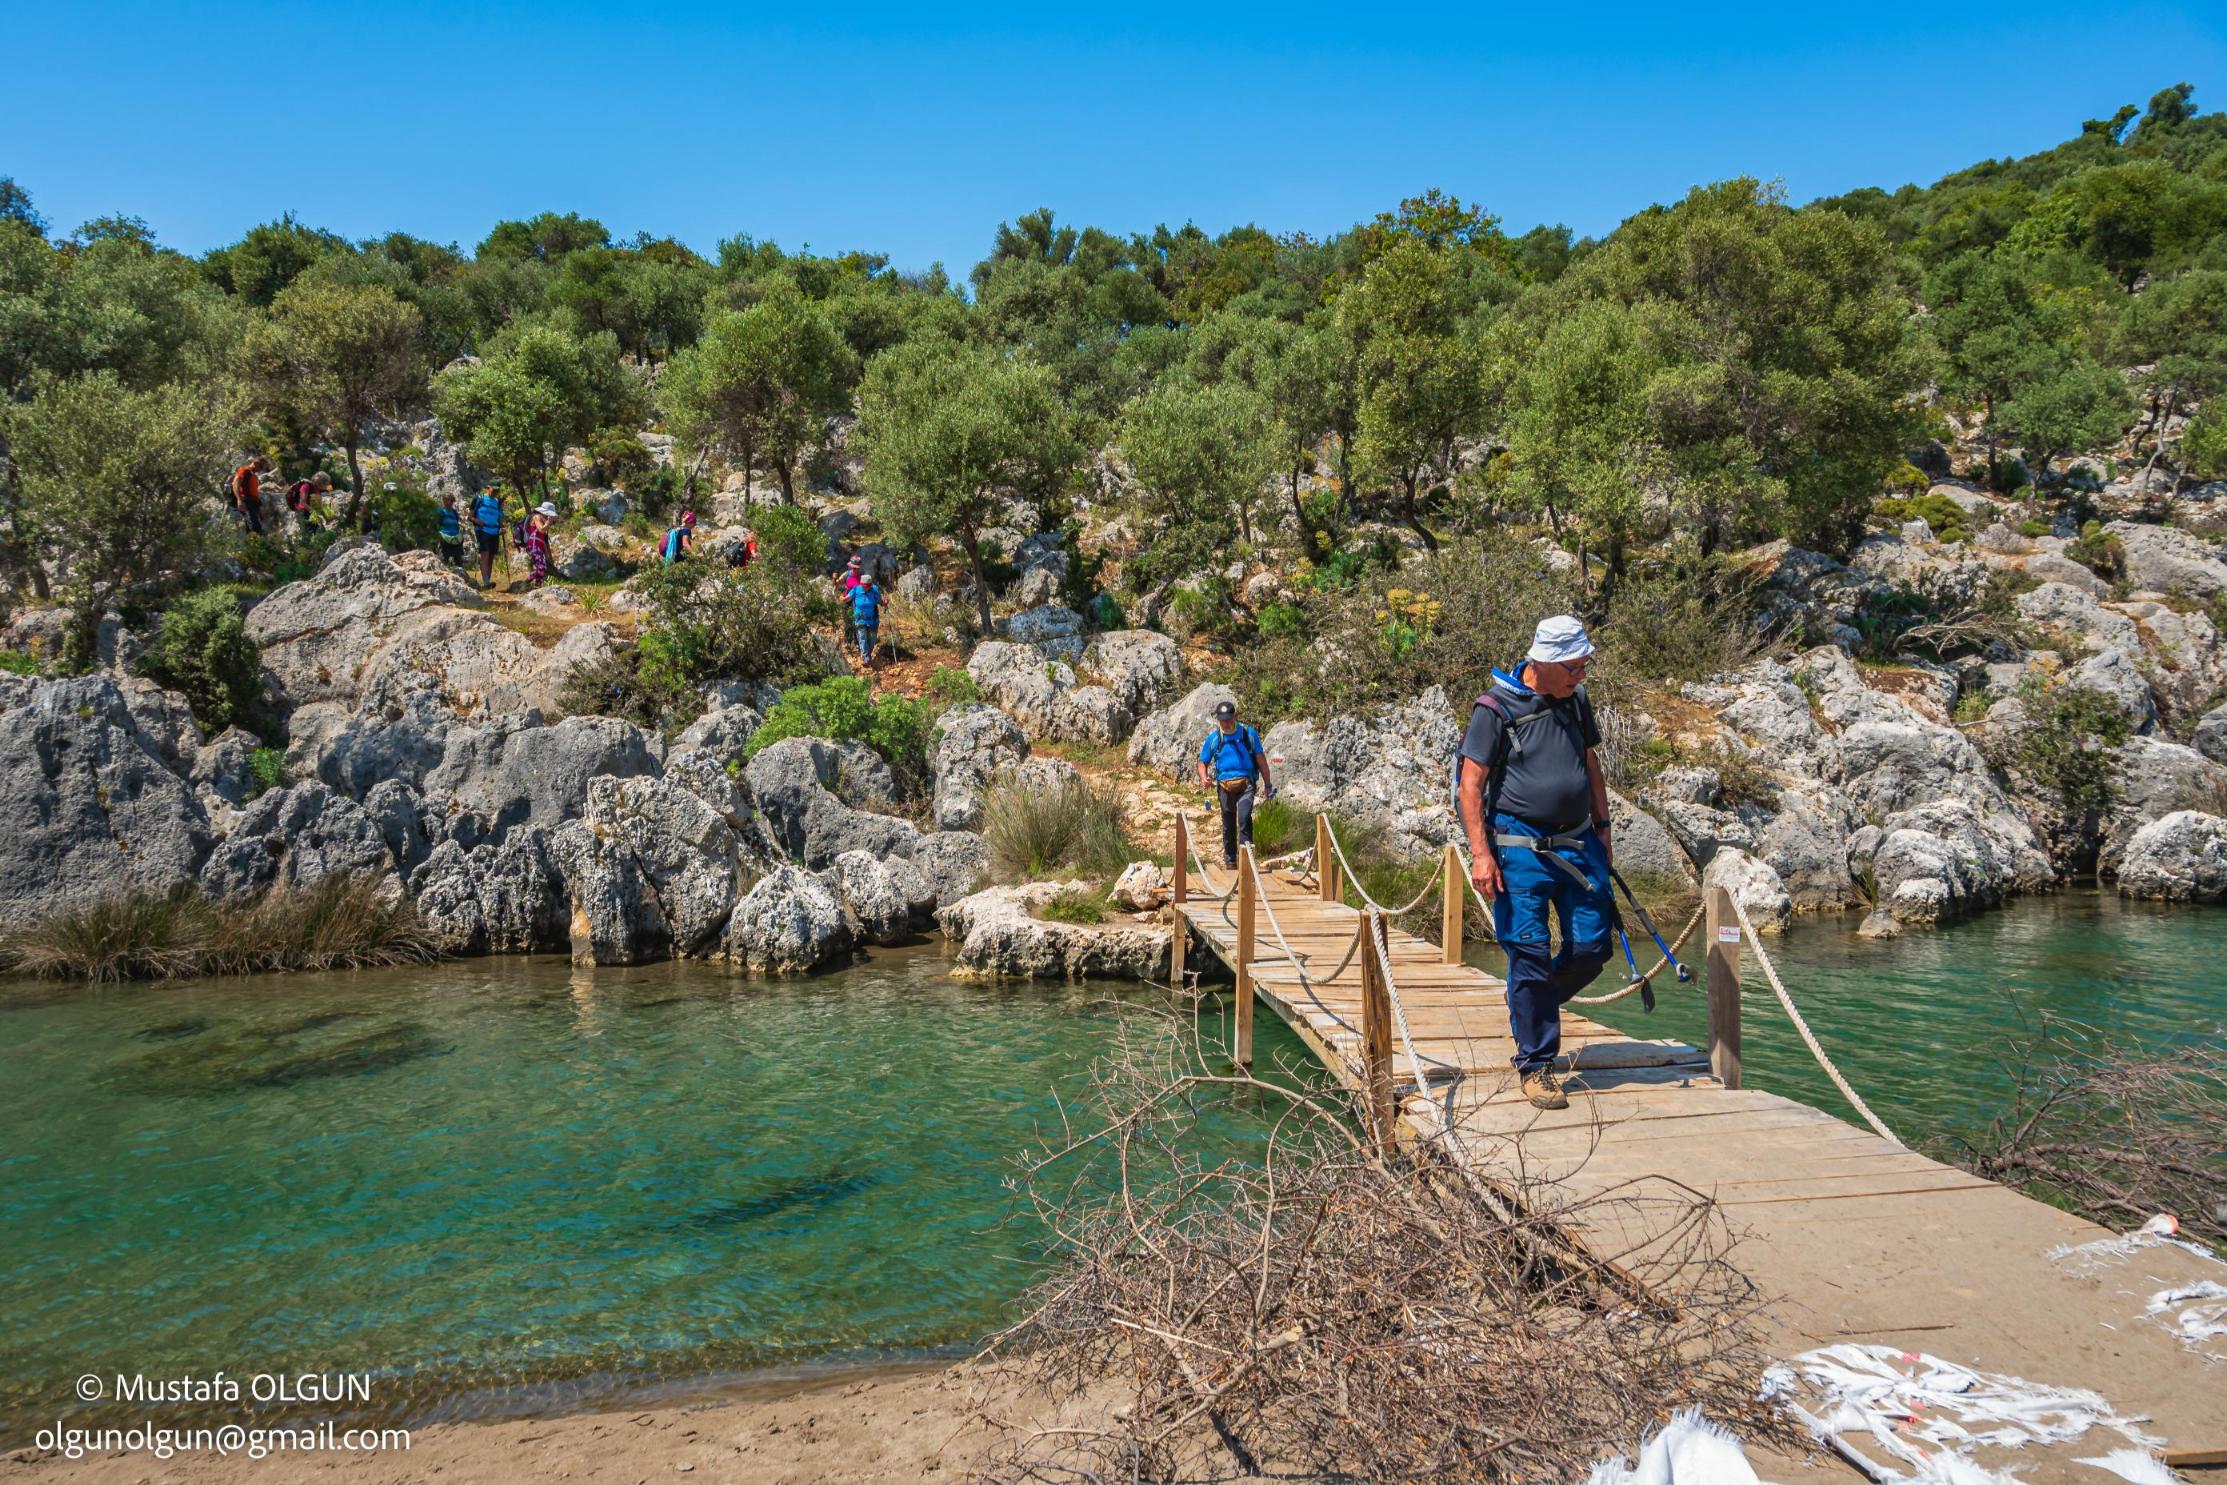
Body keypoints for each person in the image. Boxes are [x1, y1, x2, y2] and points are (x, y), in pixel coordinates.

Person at [1456, 615, 1614, 1111]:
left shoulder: (1576, 701)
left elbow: (1590, 764)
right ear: (1543, 663)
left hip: (1579, 844)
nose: (1581, 675)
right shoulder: (1494, 706)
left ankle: (1533, 1003)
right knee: (1529, 950)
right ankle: (1538, 1064)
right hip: (1518, 849)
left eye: (1584, 665)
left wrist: (1604, 828)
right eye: (1574, 667)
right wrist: (1481, 854)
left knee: (1592, 948)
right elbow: (1471, 785)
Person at [1195, 699, 1274, 871]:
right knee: (1228, 822)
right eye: (1222, 720)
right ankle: (1230, 861)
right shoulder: (1214, 738)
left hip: (1246, 783)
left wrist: (1267, 785)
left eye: (1229, 719)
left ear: (1234, 716)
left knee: (1244, 818)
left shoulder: (1248, 734)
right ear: (1218, 720)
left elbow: (1261, 760)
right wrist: (1204, 778)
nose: (1226, 723)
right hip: (1224, 784)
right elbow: (1202, 762)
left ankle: (1247, 861)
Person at [469, 485, 506, 588]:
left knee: (491, 557)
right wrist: (477, 521)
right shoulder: (479, 499)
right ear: (487, 488)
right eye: (494, 490)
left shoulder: (498, 502)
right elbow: (470, 516)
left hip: (494, 532)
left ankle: (487, 583)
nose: (495, 492)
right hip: (482, 530)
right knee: (485, 554)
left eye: (497, 491)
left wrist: (502, 528)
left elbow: (499, 518)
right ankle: (486, 581)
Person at [850, 568, 884, 667]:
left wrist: (885, 602)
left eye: (868, 586)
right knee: (862, 638)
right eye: (864, 586)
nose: (866, 588)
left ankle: (867, 655)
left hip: (873, 619)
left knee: (872, 639)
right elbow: (846, 598)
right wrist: (842, 597)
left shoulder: (874, 590)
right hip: (860, 618)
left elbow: (880, 602)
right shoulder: (856, 589)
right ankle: (866, 658)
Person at [229, 455, 270, 536]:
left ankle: (258, 542)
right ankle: (255, 543)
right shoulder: (244, 470)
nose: (261, 469)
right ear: (255, 463)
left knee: (257, 526)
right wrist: (239, 500)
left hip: (253, 504)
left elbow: (254, 492)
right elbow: (235, 485)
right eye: (261, 466)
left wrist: (260, 508)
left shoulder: (253, 475)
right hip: (246, 502)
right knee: (252, 527)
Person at [285, 471, 333, 536]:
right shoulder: (306, 486)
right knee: (309, 534)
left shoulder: (316, 490)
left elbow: (318, 506)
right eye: (326, 484)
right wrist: (314, 512)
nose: (326, 486)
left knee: (320, 531)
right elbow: (302, 502)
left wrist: (326, 518)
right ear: (321, 483)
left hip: (310, 513)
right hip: (302, 513)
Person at [524, 502, 556, 587]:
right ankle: (527, 582)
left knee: (541, 567)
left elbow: (543, 537)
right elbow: (541, 530)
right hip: (533, 545)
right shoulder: (537, 517)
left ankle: (537, 584)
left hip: (538, 546)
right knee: (542, 567)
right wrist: (548, 523)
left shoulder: (543, 519)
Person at [836, 553, 865, 649]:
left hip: (858, 601)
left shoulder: (863, 575)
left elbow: (868, 587)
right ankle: (848, 641)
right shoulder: (847, 574)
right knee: (848, 621)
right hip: (847, 599)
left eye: (857, 568)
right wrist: (835, 579)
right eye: (853, 568)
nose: (855, 570)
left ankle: (857, 642)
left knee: (858, 620)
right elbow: (838, 582)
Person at [436, 491, 466, 569]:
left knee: (458, 560)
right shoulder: (440, 512)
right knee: (444, 559)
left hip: (456, 539)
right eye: (449, 500)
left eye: (452, 500)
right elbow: (437, 524)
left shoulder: (454, 512)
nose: (451, 502)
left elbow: (457, 522)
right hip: (445, 538)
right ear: (444, 500)